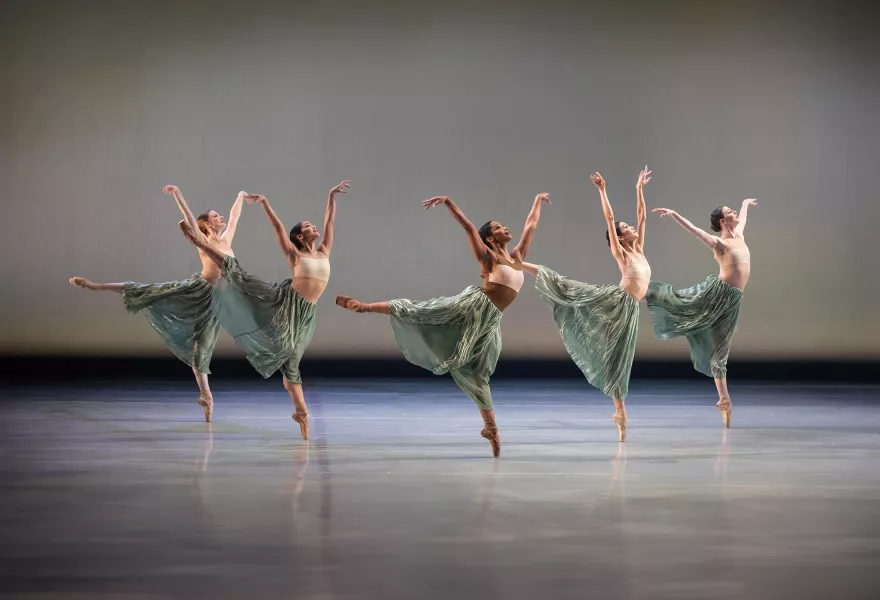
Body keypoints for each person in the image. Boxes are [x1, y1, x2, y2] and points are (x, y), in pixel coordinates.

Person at [335, 193, 550, 457]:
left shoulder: (517, 257)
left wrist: (537, 200)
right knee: (422, 311)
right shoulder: (488, 258)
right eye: (497, 227)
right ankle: (364, 306)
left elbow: (530, 226)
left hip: (491, 321)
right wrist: (449, 203)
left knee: (479, 372)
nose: (505, 228)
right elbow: (469, 228)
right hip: (472, 307)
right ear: (491, 239)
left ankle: (490, 428)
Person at [181, 181, 350, 440]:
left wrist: (331, 196)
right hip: (287, 303)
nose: (313, 227)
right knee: (245, 284)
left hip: (307, 313)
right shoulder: (294, 254)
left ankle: (299, 411)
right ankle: (302, 411)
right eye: (307, 227)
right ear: (299, 237)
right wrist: (265, 204)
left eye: (311, 225)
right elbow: (277, 227)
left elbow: (329, 223)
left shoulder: (324, 250)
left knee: (291, 360)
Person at [69, 185, 245, 421]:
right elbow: (188, 217)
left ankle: (206, 396)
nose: (221, 217)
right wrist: (177, 194)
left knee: (202, 347)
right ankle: (96, 286)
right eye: (215, 215)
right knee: (150, 292)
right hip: (198, 289)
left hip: (216, 300)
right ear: (206, 224)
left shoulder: (226, 240)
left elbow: (234, 217)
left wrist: (241, 195)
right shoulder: (202, 238)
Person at [522, 168, 652, 442]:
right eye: (625, 229)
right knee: (569, 290)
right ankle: (521, 265)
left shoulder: (639, 250)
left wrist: (639, 187)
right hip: (615, 302)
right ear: (619, 238)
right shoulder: (622, 253)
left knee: (619, 359)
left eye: (629, 228)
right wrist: (602, 190)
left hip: (629, 311)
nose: (631, 228)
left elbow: (641, 215)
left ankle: (620, 413)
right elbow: (610, 218)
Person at [648, 198, 758, 427]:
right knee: (684, 305)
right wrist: (675, 213)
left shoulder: (739, 236)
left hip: (733, 300)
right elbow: (695, 230)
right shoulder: (720, 243)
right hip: (717, 294)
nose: (736, 212)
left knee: (720, 349)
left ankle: (724, 400)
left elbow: (744, 218)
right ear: (722, 220)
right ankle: (649, 292)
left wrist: (746, 203)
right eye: (731, 211)